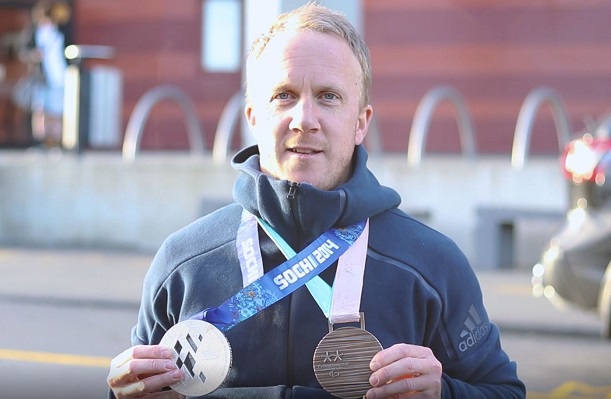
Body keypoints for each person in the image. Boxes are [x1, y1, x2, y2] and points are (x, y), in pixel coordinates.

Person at [107, 3, 526, 399]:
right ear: (253, 116)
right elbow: (136, 386)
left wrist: (444, 392)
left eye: (328, 96)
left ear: (361, 123)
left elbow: (504, 391)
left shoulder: (432, 265)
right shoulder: (182, 264)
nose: (305, 120)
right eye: (284, 95)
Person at [17, 1, 68, 149]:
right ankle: (42, 142)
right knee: (41, 111)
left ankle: (57, 143)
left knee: (58, 113)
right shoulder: (34, 32)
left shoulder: (61, 32)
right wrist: (34, 55)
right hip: (41, 79)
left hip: (60, 79)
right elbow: (24, 51)